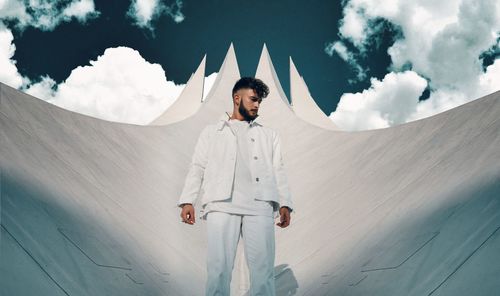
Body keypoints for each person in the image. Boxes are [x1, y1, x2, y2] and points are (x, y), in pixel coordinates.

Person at [177, 77, 294, 296]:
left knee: (263, 270)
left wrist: (285, 203)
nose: (257, 105)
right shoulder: (211, 132)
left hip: (260, 207)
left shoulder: (269, 135)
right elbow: (198, 166)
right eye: (253, 99)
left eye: (259, 101)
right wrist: (187, 200)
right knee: (218, 270)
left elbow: (279, 169)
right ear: (236, 97)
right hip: (221, 205)